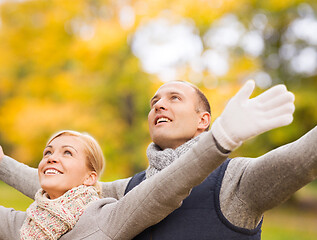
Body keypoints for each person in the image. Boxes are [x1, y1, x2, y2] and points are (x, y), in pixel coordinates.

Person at [1, 80, 315, 239]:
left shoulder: (236, 181)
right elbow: (63, 184)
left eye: (174, 98)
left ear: (203, 119)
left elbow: (302, 159)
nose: (159, 105)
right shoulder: (129, 189)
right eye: (154, 102)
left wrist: (226, 137)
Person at [1, 128, 229, 240]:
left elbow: (162, 189)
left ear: (89, 177)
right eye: (47, 152)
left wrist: (221, 140)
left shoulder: (104, 218)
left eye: (67, 153)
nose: (51, 157)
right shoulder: (23, 224)